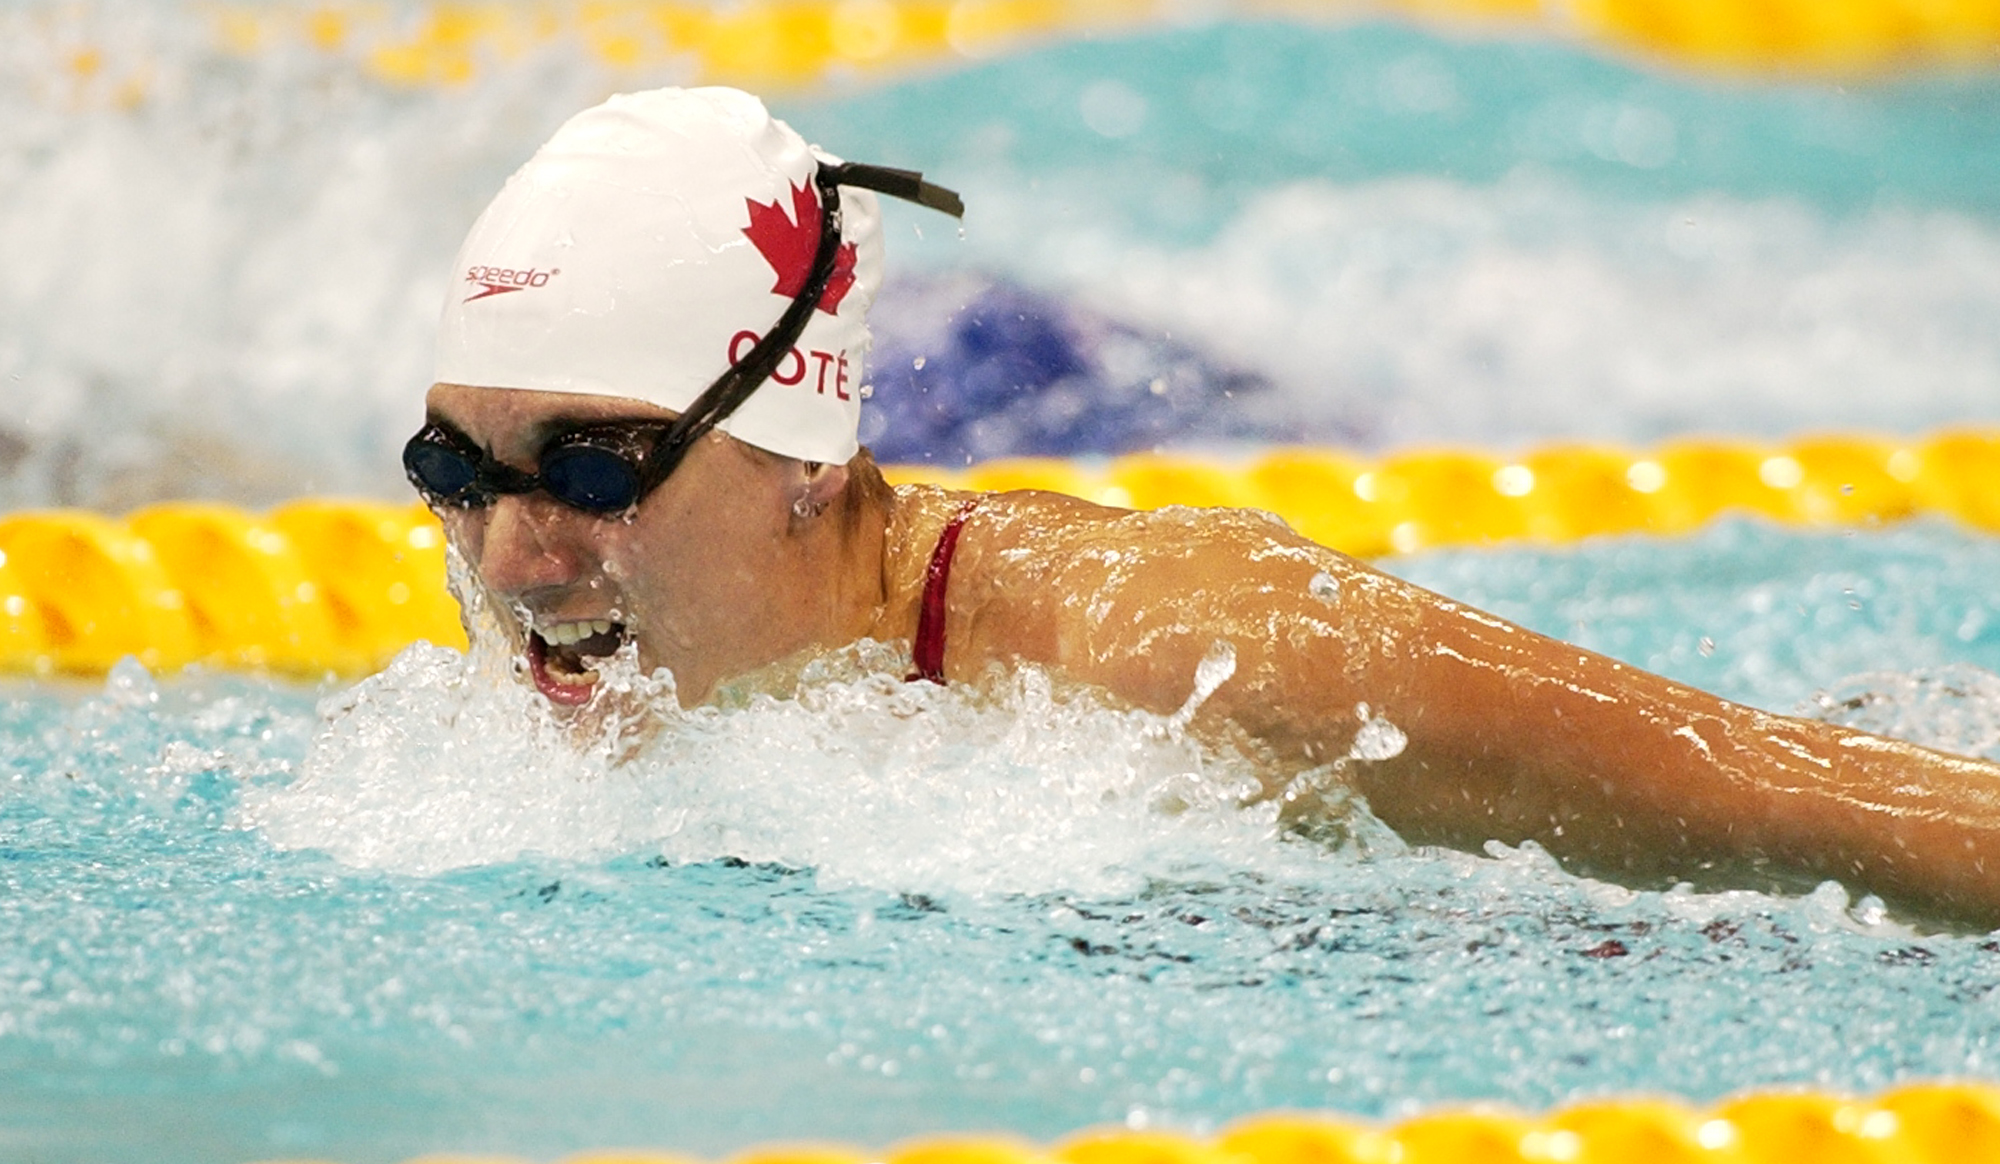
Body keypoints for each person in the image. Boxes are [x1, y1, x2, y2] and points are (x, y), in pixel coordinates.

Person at [410, 86, 2000, 930]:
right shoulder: (573, 735)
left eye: (596, 469)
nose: (512, 554)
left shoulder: (1190, 654)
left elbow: (1805, 800)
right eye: (456, 475)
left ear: (809, 451)